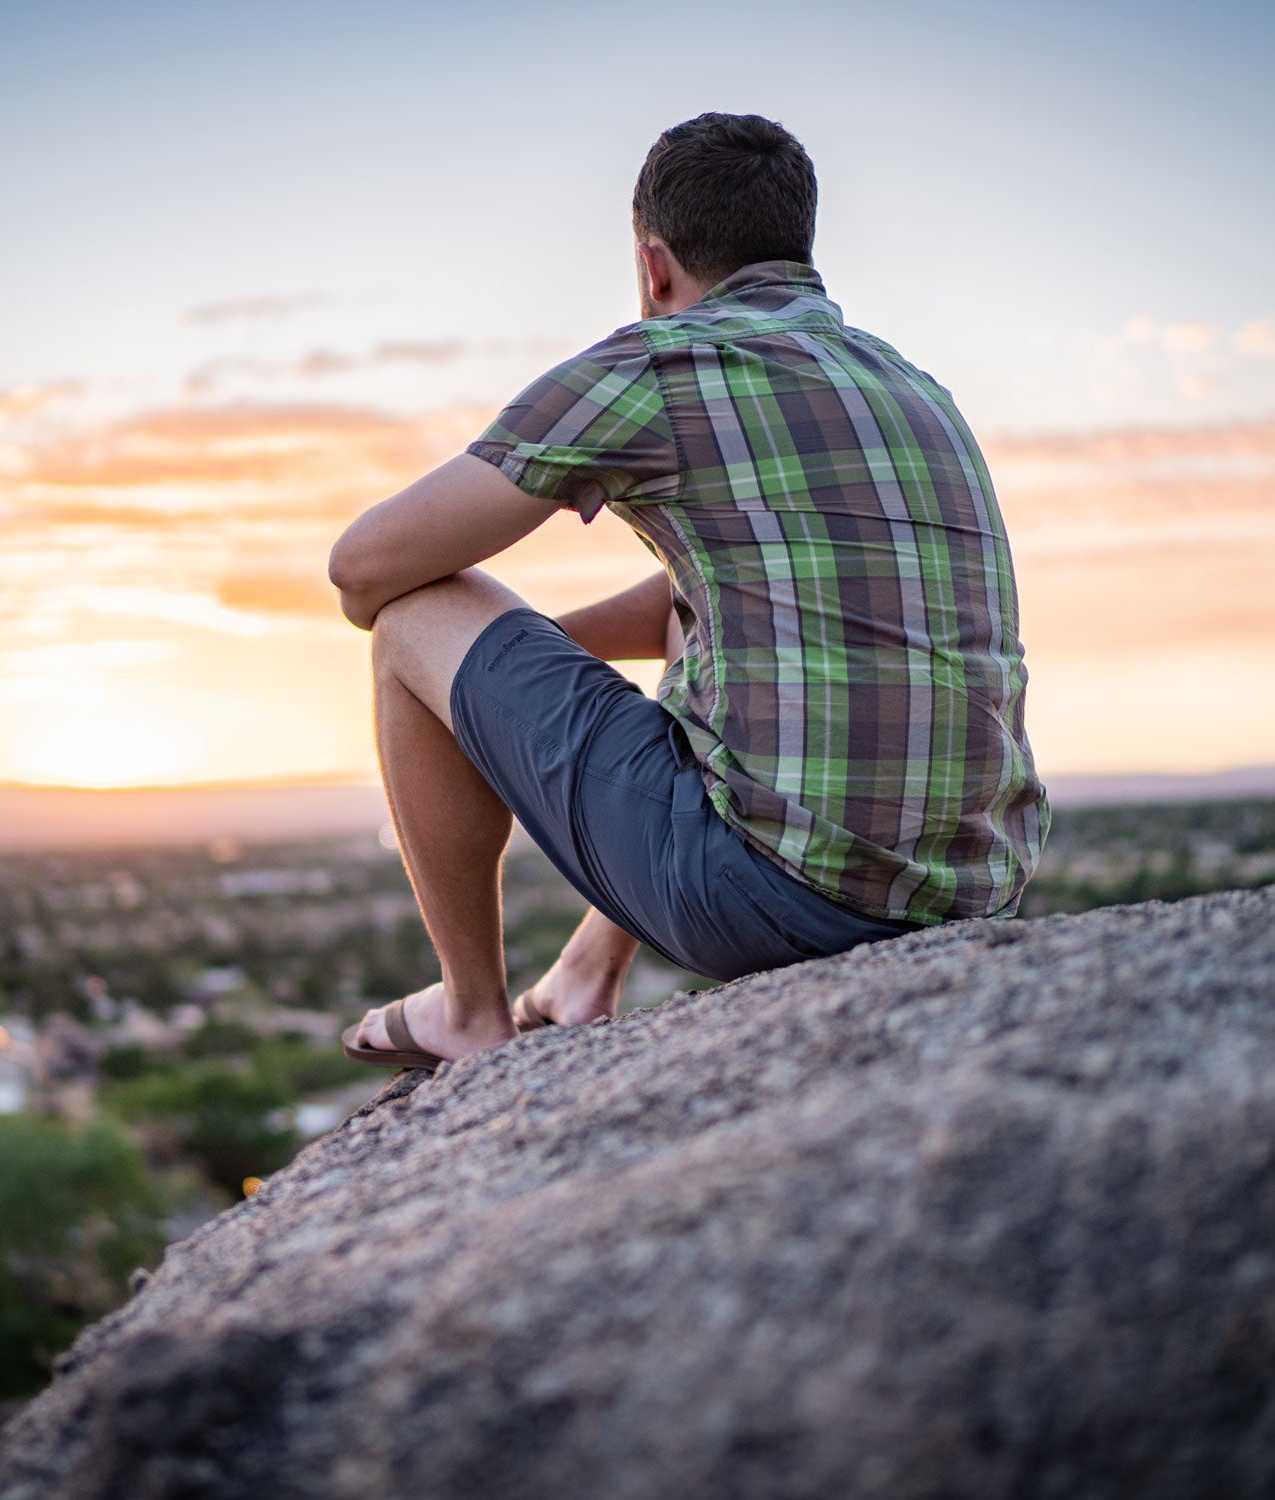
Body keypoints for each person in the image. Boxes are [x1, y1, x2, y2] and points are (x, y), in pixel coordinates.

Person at [332, 112, 1049, 1072]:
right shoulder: (914, 386)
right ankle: (586, 973)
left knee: (412, 619)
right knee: (703, 603)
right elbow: (728, 598)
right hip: (974, 889)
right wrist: (526, 663)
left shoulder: (655, 366)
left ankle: (470, 1013)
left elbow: (364, 568)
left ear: (653, 265)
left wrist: (462, 677)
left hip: (776, 900)